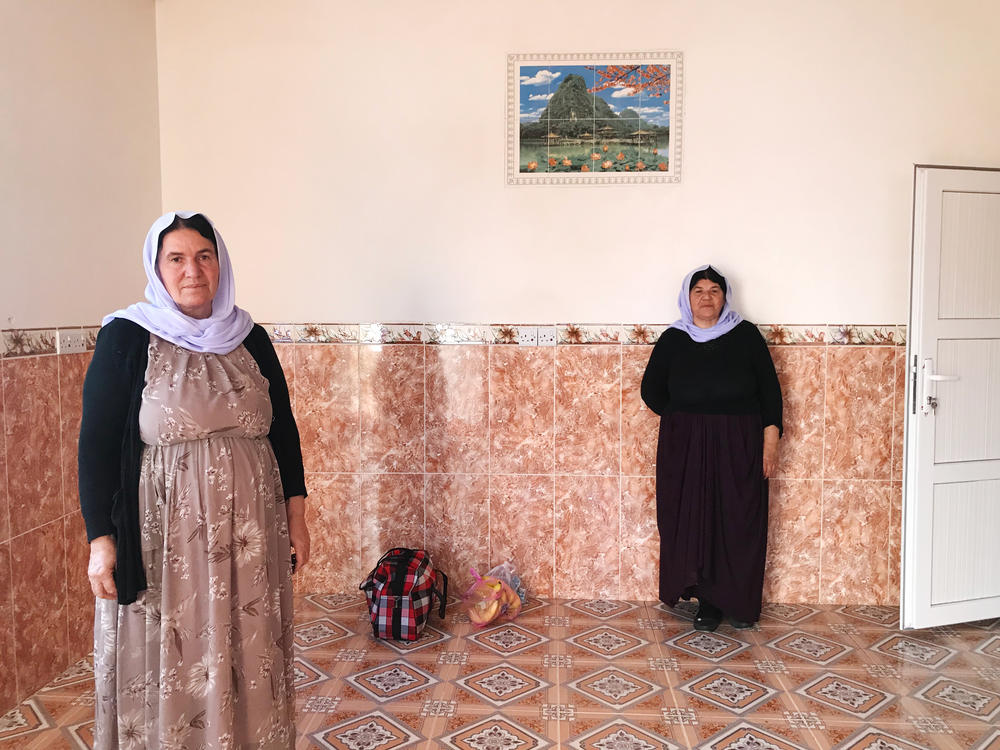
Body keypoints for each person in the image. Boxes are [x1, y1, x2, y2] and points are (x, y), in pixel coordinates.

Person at [79, 211, 310, 748]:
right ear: (157, 269)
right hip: (164, 535)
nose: (192, 270)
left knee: (247, 640)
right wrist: (101, 541)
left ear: (220, 262)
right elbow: (95, 441)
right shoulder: (128, 335)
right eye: (176, 258)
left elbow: (285, 430)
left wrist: (297, 515)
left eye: (204, 256)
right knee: (173, 643)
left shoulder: (249, 336)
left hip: (251, 533)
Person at [641, 264, 781, 632]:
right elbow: (651, 390)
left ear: (725, 296)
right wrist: (683, 420)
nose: (706, 297)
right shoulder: (674, 339)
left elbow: (770, 393)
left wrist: (770, 443)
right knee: (695, 519)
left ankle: (738, 601)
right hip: (686, 447)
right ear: (688, 297)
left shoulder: (746, 336)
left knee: (738, 518)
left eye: (714, 291)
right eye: (699, 290)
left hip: (739, 444)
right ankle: (707, 604)